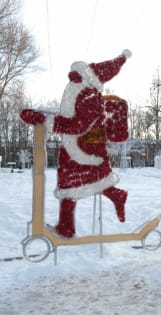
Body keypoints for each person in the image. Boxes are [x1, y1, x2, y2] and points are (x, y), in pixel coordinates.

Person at [20, 50, 131, 238]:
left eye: (78, 74)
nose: (73, 77)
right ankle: (114, 196)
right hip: (78, 148)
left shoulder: (88, 95)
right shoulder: (80, 90)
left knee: (71, 187)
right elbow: (69, 115)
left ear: (86, 77)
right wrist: (43, 115)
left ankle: (67, 227)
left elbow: (78, 125)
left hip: (84, 149)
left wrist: (44, 119)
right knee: (73, 186)